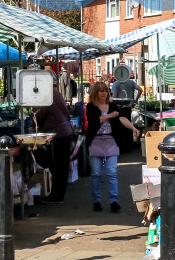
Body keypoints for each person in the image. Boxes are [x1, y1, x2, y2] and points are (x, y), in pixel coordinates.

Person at [84, 80, 139, 212]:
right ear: (96, 93)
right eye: (101, 91)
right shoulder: (91, 107)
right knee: (96, 174)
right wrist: (110, 116)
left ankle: (114, 201)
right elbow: (93, 121)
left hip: (111, 142)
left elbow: (121, 118)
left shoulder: (112, 105)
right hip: (95, 142)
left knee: (112, 173)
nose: (104, 93)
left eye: (106, 91)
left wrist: (133, 128)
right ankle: (96, 201)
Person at [33, 85, 75, 204]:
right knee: (62, 166)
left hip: (56, 133)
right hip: (64, 130)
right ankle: (59, 194)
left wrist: (36, 122)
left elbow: (39, 114)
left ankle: (57, 196)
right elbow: (66, 112)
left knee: (58, 166)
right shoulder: (55, 92)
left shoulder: (44, 95)